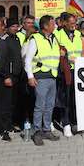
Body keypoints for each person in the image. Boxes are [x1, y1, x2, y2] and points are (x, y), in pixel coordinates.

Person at [25, 15, 61, 146]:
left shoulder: (53, 38)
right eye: (52, 24)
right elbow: (28, 59)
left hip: (52, 75)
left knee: (50, 105)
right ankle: (37, 132)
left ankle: (46, 130)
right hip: (41, 76)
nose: (55, 26)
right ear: (45, 26)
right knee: (40, 106)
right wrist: (30, 76)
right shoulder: (35, 39)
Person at [0, 18, 25, 141]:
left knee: (12, 103)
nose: (15, 28)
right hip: (7, 77)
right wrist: (6, 76)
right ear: (7, 28)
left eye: (17, 26)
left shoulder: (16, 39)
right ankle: (1, 130)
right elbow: (1, 61)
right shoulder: (4, 40)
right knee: (4, 104)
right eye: (13, 26)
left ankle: (9, 125)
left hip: (16, 76)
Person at [55, 14, 82, 136]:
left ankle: (74, 122)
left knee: (75, 98)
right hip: (65, 71)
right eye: (71, 23)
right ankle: (65, 123)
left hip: (77, 70)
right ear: (65, 23)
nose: (73, 25)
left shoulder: (78, 34)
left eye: (74, 23)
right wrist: (66, 58)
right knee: (65, 98)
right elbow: (57, 52)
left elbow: (80, 51)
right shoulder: (58, 35)